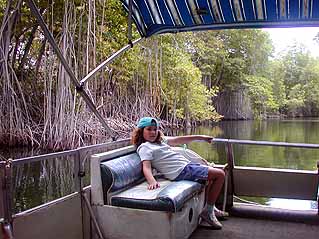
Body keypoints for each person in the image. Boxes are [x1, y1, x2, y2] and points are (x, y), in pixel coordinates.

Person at [131, 116, 227, 229]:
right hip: (181, 171)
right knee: (220, 175)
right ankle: (208, 211)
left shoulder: (160, 141)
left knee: (211, 177)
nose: (153, 132)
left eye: (155, 129)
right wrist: (152, 181)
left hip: (187, 166)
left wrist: (201, 137)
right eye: (149, 129)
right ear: (141, 131)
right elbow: (146, 167)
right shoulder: (145, 147)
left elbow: (179, 140)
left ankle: (211, 208)